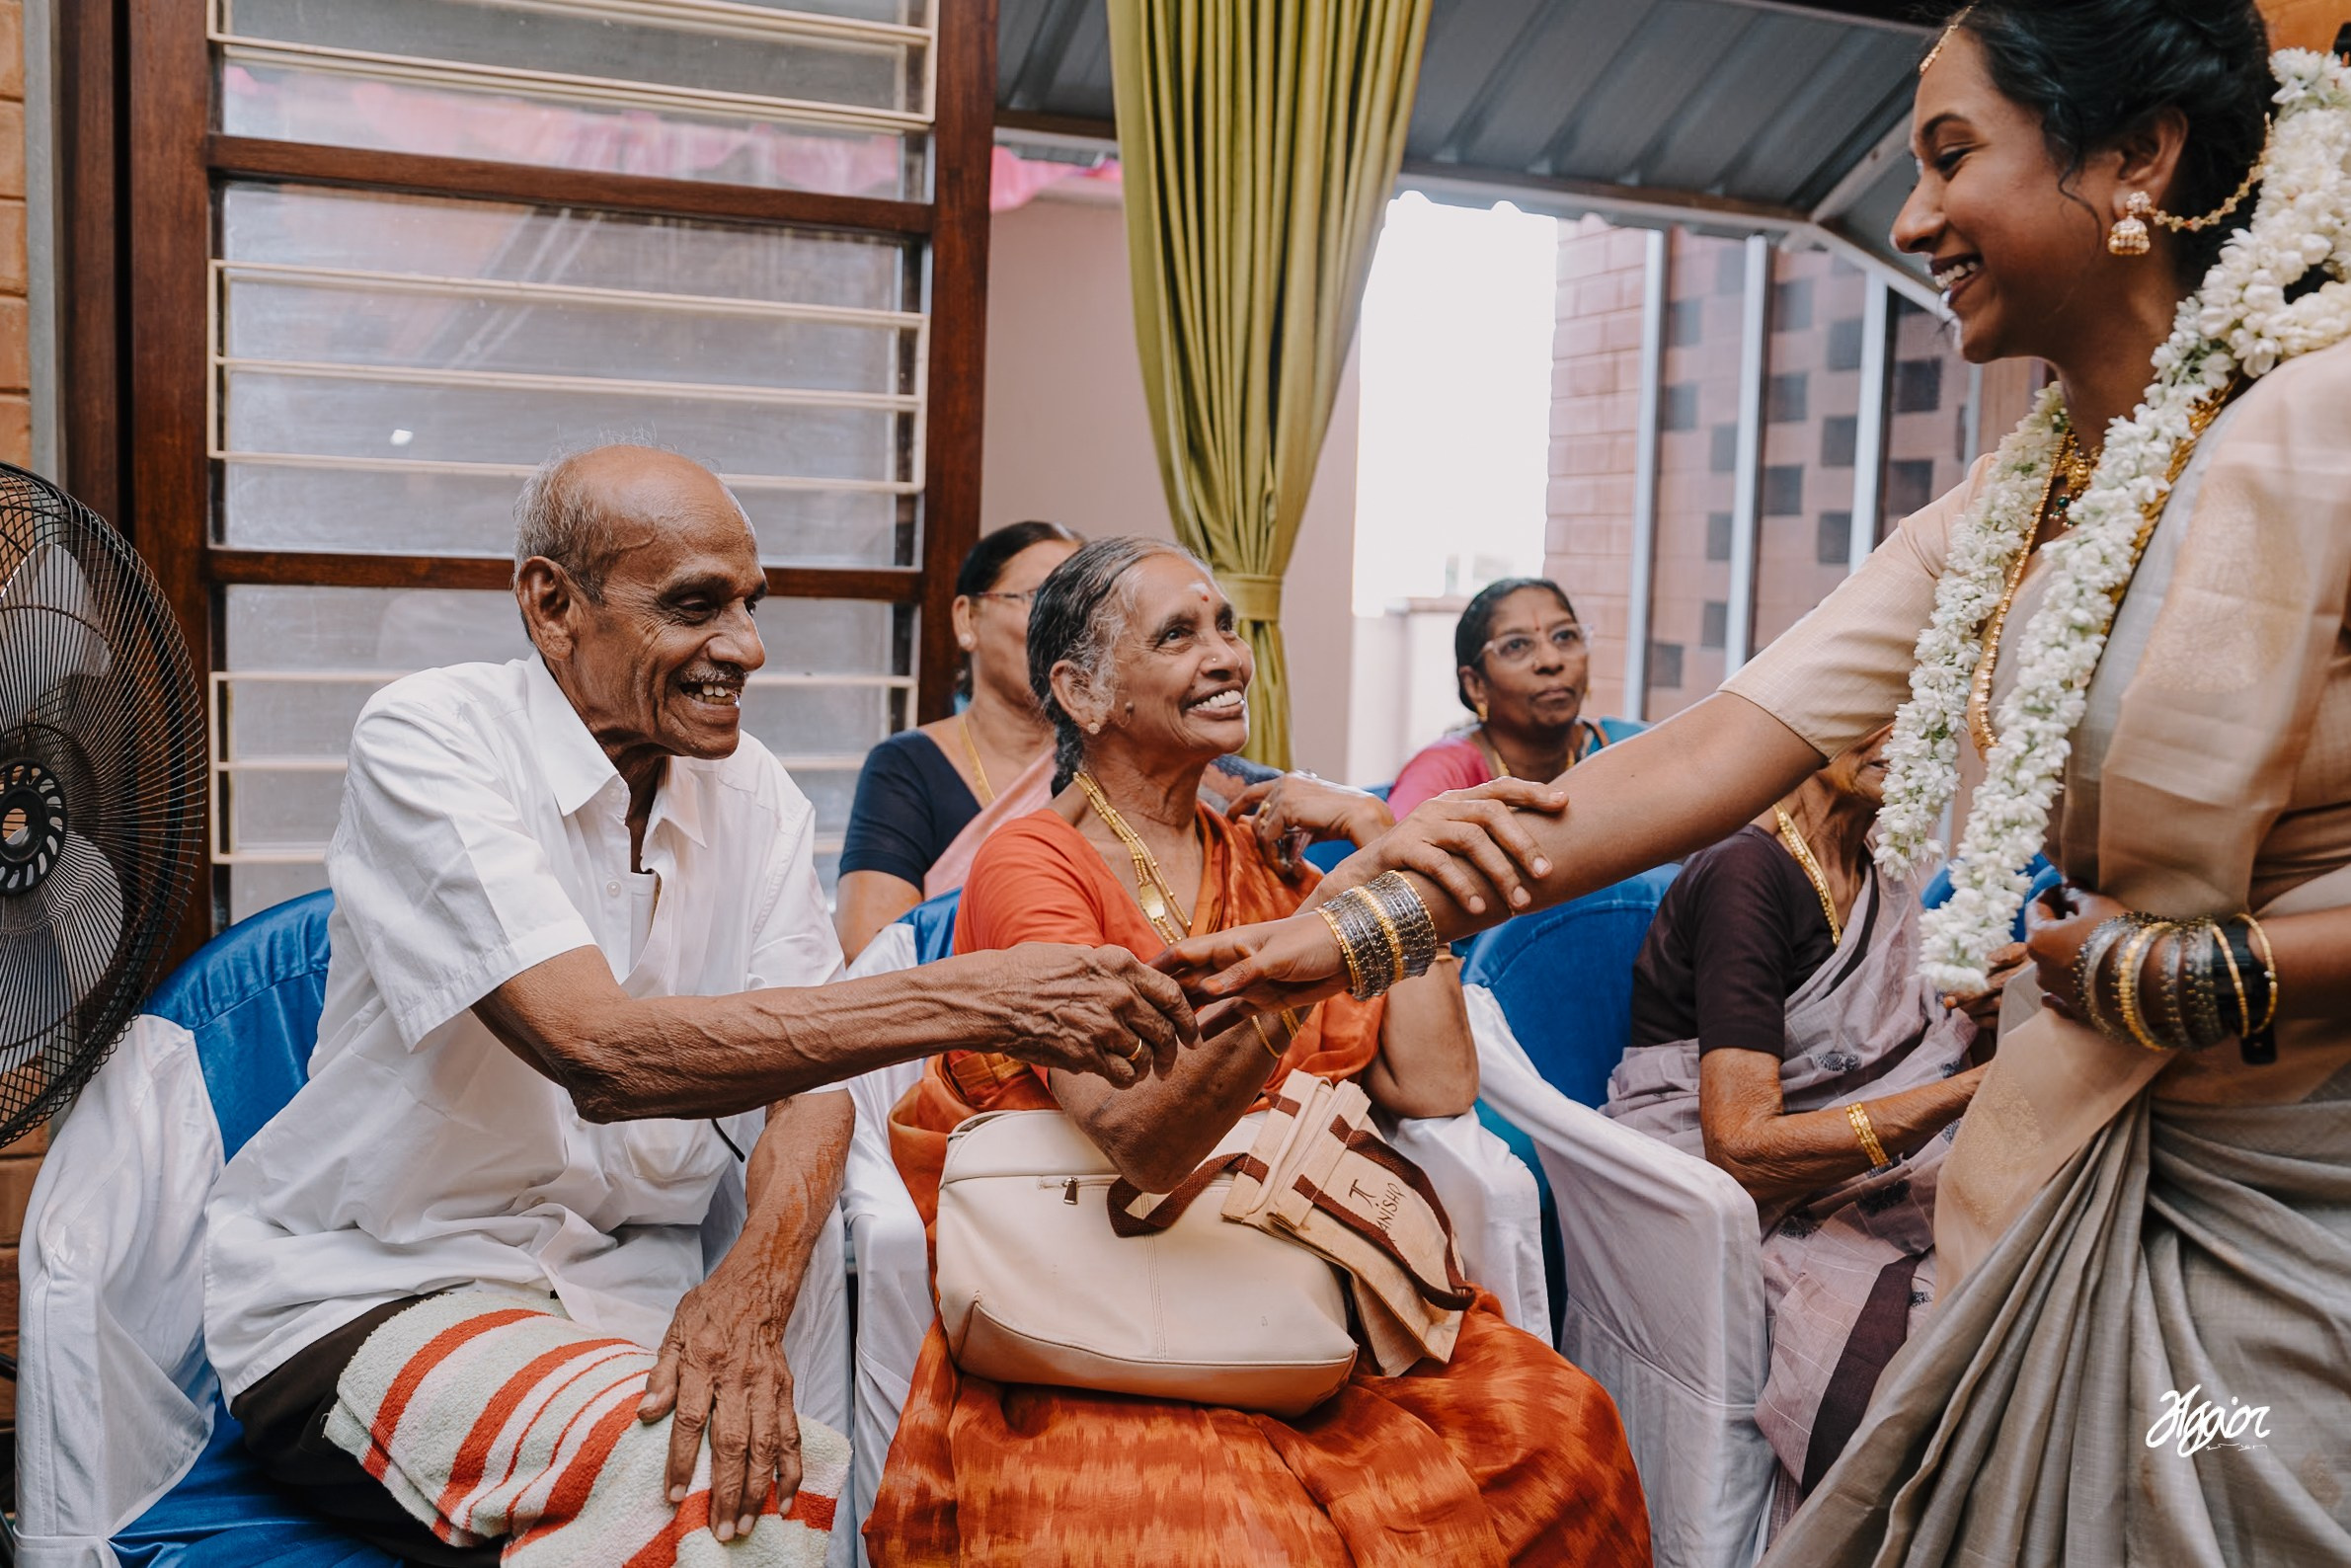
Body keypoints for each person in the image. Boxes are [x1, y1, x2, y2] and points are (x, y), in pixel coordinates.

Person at [1158, 6, 2351, 1561]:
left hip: (2305, 1202)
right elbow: (1703, 757)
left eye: (1948, 156)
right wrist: (1339, 934)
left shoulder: (2324, 429)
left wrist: (2210, 970)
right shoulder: (2019, 494)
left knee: (2233, 1463)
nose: (1913, 217)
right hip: (2087, 1168)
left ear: (2136, 157)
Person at [202, 449, 1200, 1562]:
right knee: (734, 1500)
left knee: (758, 1478)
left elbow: (810, 1091)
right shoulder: (432, 738)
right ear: (552, 605)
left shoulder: (753, 791)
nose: (747, 647)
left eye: (749, 604)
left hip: (628, 1298)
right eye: (694, 606)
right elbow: (598, 1054)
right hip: (385, 1292)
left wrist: (751, 1286)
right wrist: (964, 997)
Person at [864, 538, 1653, 1567]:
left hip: (1299, 1277)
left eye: (1225, 627)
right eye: (1179, 634)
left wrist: (1379, 841)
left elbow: (1434, 1079)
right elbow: (1136, 1138)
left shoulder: (1255, 851)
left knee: (1558, 1433)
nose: (1227, 656)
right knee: (1224, 1530)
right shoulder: (1033, 862)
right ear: (1082, 691)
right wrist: (1326, 925)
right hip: (1105, 1305)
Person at [1604, 726, 2012, 1526]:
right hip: (1727, 1184)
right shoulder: (1746, 874)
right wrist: (1972, 1089)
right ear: (1809, 723)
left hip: (1866, 1164)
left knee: (2036, 1265)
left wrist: (1984, 1010)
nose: (1907, 731)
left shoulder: (1879, 857)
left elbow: (1900, 1037)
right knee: (1933, 1351)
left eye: (1918, 703)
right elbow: (1744, 1148)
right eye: (1876, 708)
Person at [834, 520, 1081, 959]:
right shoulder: (907, 767)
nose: (1063, 626)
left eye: (1082, 606)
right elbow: (874, 957)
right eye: (1039, 598)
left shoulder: (1115, 763)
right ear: (967, 618)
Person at [1386, 577, 1642, 818]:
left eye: (1565, 636)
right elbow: (1391, 860)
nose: (1551, 661)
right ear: (1476, 684)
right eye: (1517, 645)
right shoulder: (1440, 775)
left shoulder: (1628, 746)